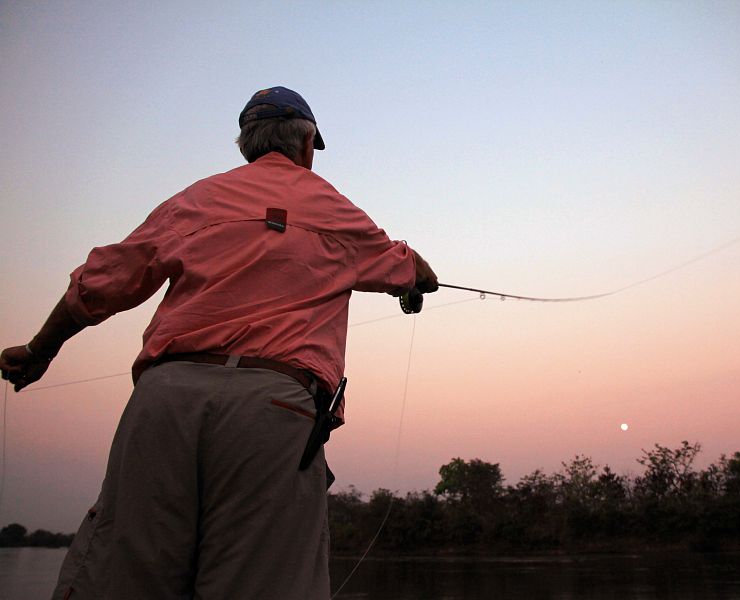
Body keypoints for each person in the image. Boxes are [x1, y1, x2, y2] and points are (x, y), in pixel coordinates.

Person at [0, 86, 438, 599]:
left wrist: (39, 352)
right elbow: (415, 269)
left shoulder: (195, 199)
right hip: (275, 410)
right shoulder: (338, 212)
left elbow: (101, 281)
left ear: (245, 146)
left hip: (165, 401)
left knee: (123, 578)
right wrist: (416, 286)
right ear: (308, 143)